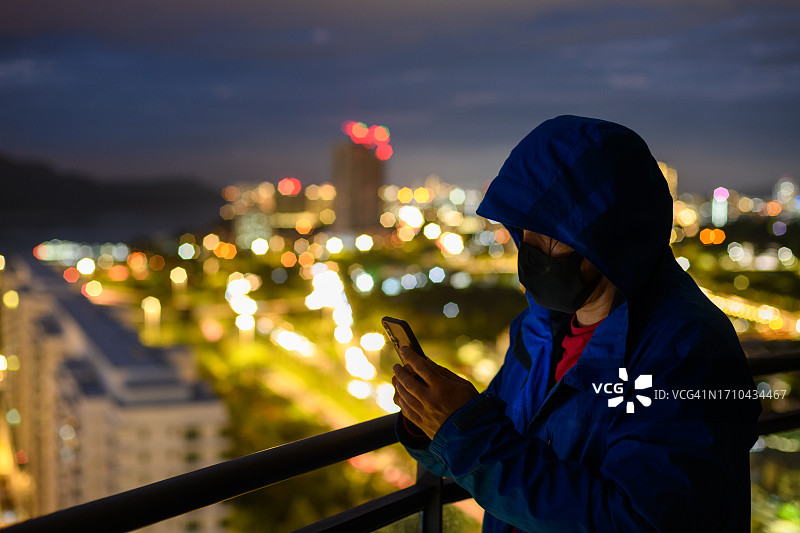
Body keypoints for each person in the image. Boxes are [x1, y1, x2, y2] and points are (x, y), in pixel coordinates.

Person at [391, 115, 761, 532]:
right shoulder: (538, 329)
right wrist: (433, 419)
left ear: (610, 237)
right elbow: (490, 445)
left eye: (551, 233)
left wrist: (464, 432)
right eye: (524, 227)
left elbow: (632, 522)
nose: (530, 247)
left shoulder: (686, 349)